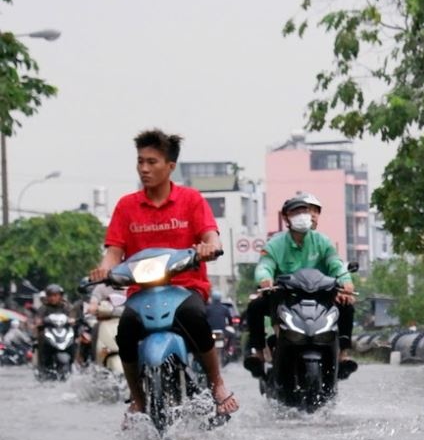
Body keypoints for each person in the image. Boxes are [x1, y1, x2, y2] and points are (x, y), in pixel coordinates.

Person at [88, 128, 239, 419]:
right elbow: (113, 252)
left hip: (186, 288)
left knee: (196, 318)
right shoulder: (126, 206)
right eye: (140, 161)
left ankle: (217, 383)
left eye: (152, 162)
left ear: (170, 166)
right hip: (140, 293)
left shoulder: (192, 200)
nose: (144, 168)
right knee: (126, 330)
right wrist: (104, 270)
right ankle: (137, 398)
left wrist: (211, 247)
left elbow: (211, 235)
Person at [243, 193, 357, 380]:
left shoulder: (323, 242)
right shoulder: (275, 245)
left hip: (320, 298)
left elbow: (335, 264)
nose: (302, 215)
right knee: (255, 306)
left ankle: (343, 354)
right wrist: (265, 279)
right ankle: (258, 353)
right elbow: (264, 266)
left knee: (347, 304)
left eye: (304, 210)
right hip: (286, 298)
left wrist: (346, 282)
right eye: (296, 211)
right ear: (286, 217)